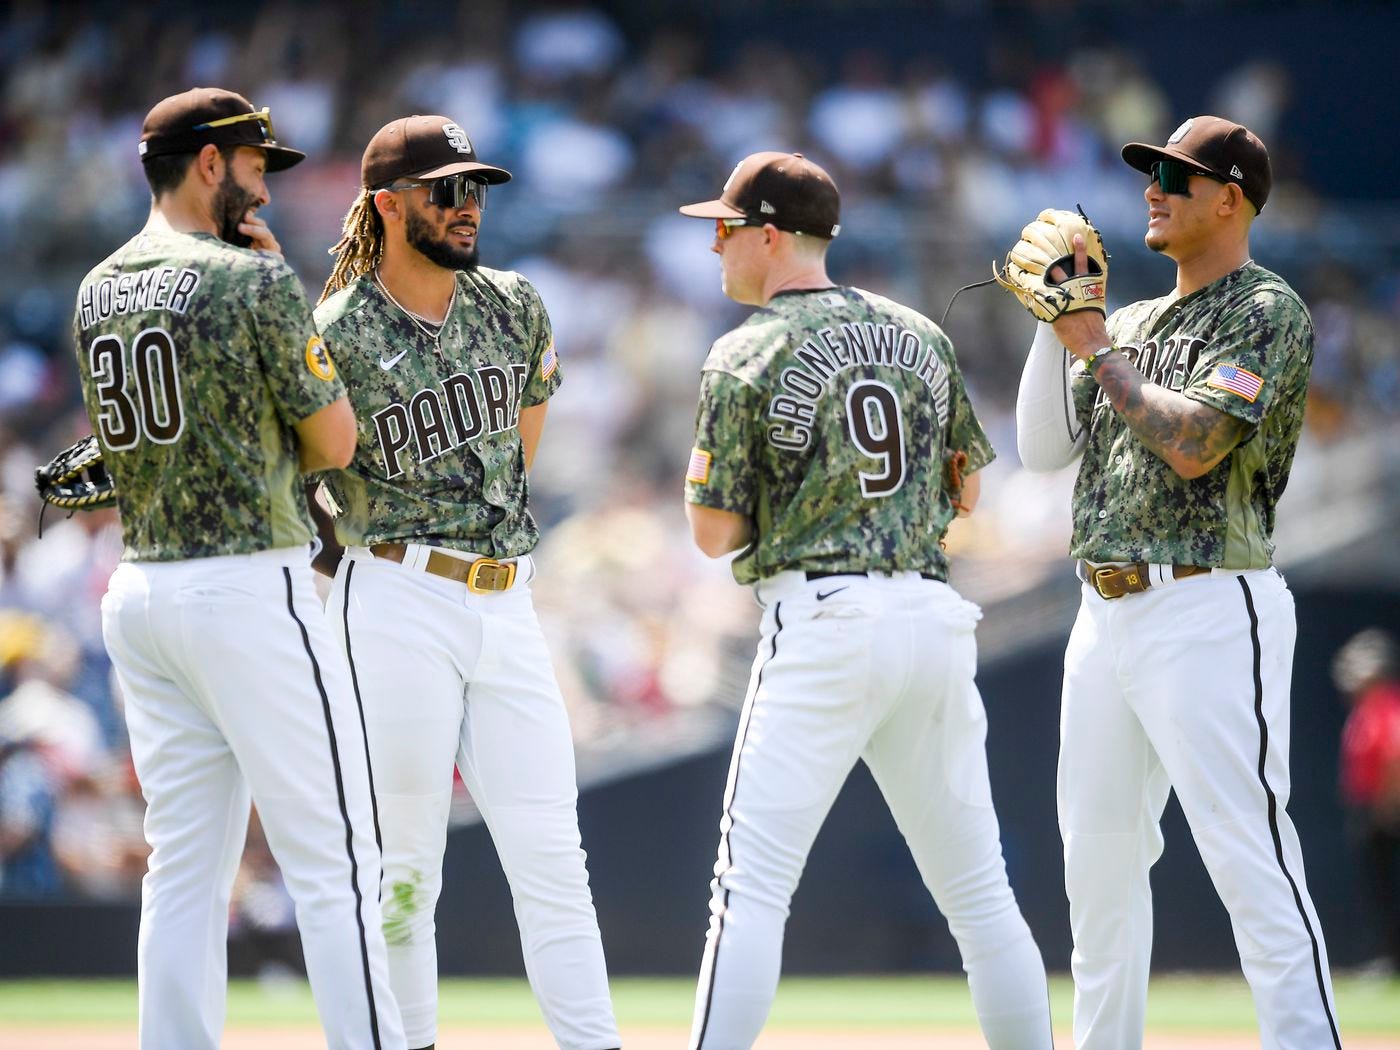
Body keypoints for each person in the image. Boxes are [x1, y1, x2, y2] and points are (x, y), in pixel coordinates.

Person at [677, 151, 1053, 1050]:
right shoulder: (920, 334)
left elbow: (712, 532)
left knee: (750, 891)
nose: (716, 245)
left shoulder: (746, 349)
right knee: (980, 896)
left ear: (770, 234)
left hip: (825, 619)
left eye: (726, 228)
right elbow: (966, 495)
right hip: (931, 618)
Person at [73, 88, 404, 1049]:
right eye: (257, 167)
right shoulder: (251, 281)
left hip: (140, 588)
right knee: (337, 856)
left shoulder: (99, 284)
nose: (264, 191)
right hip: (245, 586)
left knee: (182, 866)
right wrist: (281, 284)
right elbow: (336, 440)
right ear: (210, 162)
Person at [1010, 115, 1341, 1048]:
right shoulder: (1130, 321)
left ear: (1230, 198)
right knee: (1098, 875)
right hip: (1101, 613)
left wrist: (1090, 344)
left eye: (1178, 178)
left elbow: (1195, 446)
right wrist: (1056, 324)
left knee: (1251, 859)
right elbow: (1040, 452)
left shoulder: (1265, 309)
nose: (1153, 189)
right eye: (1152, 173)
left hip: (1207, 603)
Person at [314, 114, 619, 1050]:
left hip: (506, 599)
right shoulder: (339, 328)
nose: (466, 205)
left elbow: (523, 440)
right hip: (397, 595)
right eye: (445, 189)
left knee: (554, 860)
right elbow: (312, 481)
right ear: (387, 204)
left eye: (474, 187)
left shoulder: (513, 302)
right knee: (406, 870)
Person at [1334, 628, 1400, 974]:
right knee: (1377, 888)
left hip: (1384, 811)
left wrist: (1386, 806)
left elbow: (1394, 756)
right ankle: (1388, 958)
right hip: (1371, 808)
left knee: (1385, 887)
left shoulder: (1384, 704)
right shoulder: (1366, 706)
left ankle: (1392, 959)